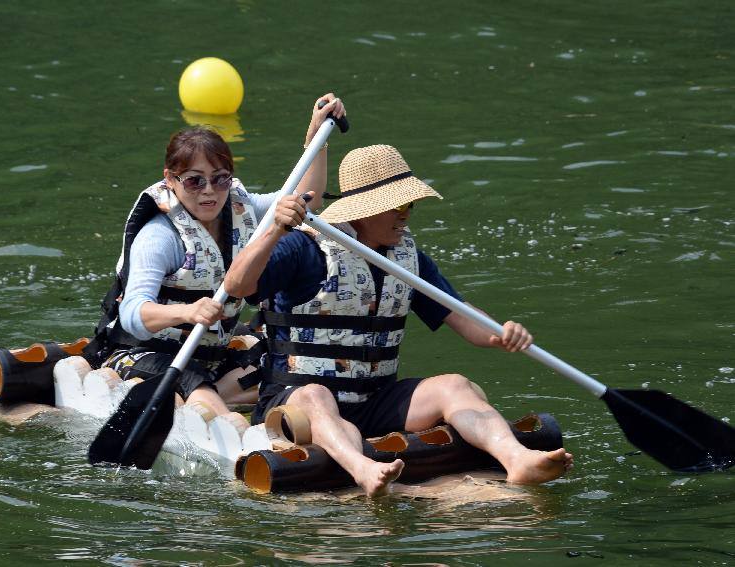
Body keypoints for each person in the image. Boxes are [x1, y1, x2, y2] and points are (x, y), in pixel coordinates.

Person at [224, 144, 574, 496]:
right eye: (399, 204)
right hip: (295, 400)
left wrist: (502, 334)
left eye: (410, 203)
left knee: (454, 385)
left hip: (375, 402)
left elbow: (466, 320)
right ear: (364, 209)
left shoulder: (408, 260)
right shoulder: (304, 248)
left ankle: (516, 460)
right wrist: (274, 232)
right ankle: (362, 469)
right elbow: (237, 285)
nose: (407, 214)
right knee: (315, 395)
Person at [83, 94, 346, 418]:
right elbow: (134, 316)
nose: (209, 191)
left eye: (220, 179)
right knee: (193, 382)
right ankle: (226, 428)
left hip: (209, 356)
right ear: (171, 179)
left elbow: (306, 198)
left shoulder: (240, 207)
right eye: (194, 181)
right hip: (139, 354)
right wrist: (189, 312)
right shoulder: (159, 236)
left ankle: (204, 406)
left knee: (272, 358)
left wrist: (316, 140)